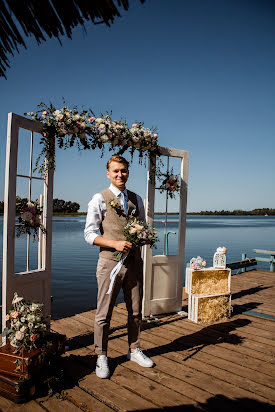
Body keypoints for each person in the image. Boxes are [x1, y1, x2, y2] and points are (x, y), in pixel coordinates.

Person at [84, 154, 154, 379]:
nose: (120, 175)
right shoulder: (99, 198)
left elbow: (142, 228)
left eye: (123, 170)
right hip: (109, 264)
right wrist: (113, 243)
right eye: (115, 171)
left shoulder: (137, 199)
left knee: (136, 311)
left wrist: (144, 237)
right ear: (108, 173)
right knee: (104, 313)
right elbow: (89, 234)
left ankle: (134, 349)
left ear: (128, 172)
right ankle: (101, 355)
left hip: (134, 263)